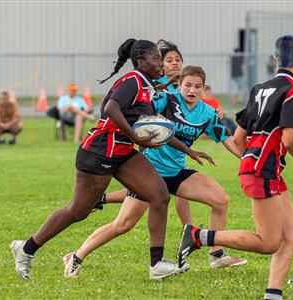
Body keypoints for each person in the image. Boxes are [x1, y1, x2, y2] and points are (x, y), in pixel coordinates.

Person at [10, 38, 212, 280]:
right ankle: (26, 248)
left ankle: (156, 264)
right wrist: (135, 137)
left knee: (159, 195)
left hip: (123, 152)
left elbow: (153, 127)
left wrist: (189, 151)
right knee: (78, 210)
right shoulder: (132, 81)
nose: (161, 63)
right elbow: (110, 109)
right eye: (156, 58)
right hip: (99, 151)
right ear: (140, 62)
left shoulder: (148, 87)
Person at [62, 47, 247, 279]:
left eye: (197, 86)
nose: (192, 90)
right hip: (149, 172)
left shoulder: (207, 113)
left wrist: (246, 158)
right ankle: (75, 256)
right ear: (180, 85)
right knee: (123, 224)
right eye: (187, 85)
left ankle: (216, 255)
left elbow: (226, 138)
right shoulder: (165, 100)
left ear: (204, 89)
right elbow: (139, 108)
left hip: (177, 172)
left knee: (220, 199)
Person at [178, 35, 293, 300]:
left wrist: (253, 160)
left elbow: (237, 138)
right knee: (269, 242)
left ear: (275, 59)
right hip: (263, 170)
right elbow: (289, 139)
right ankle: (200, 235)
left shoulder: (259, 88)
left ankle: (273, 294)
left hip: (261, 167)